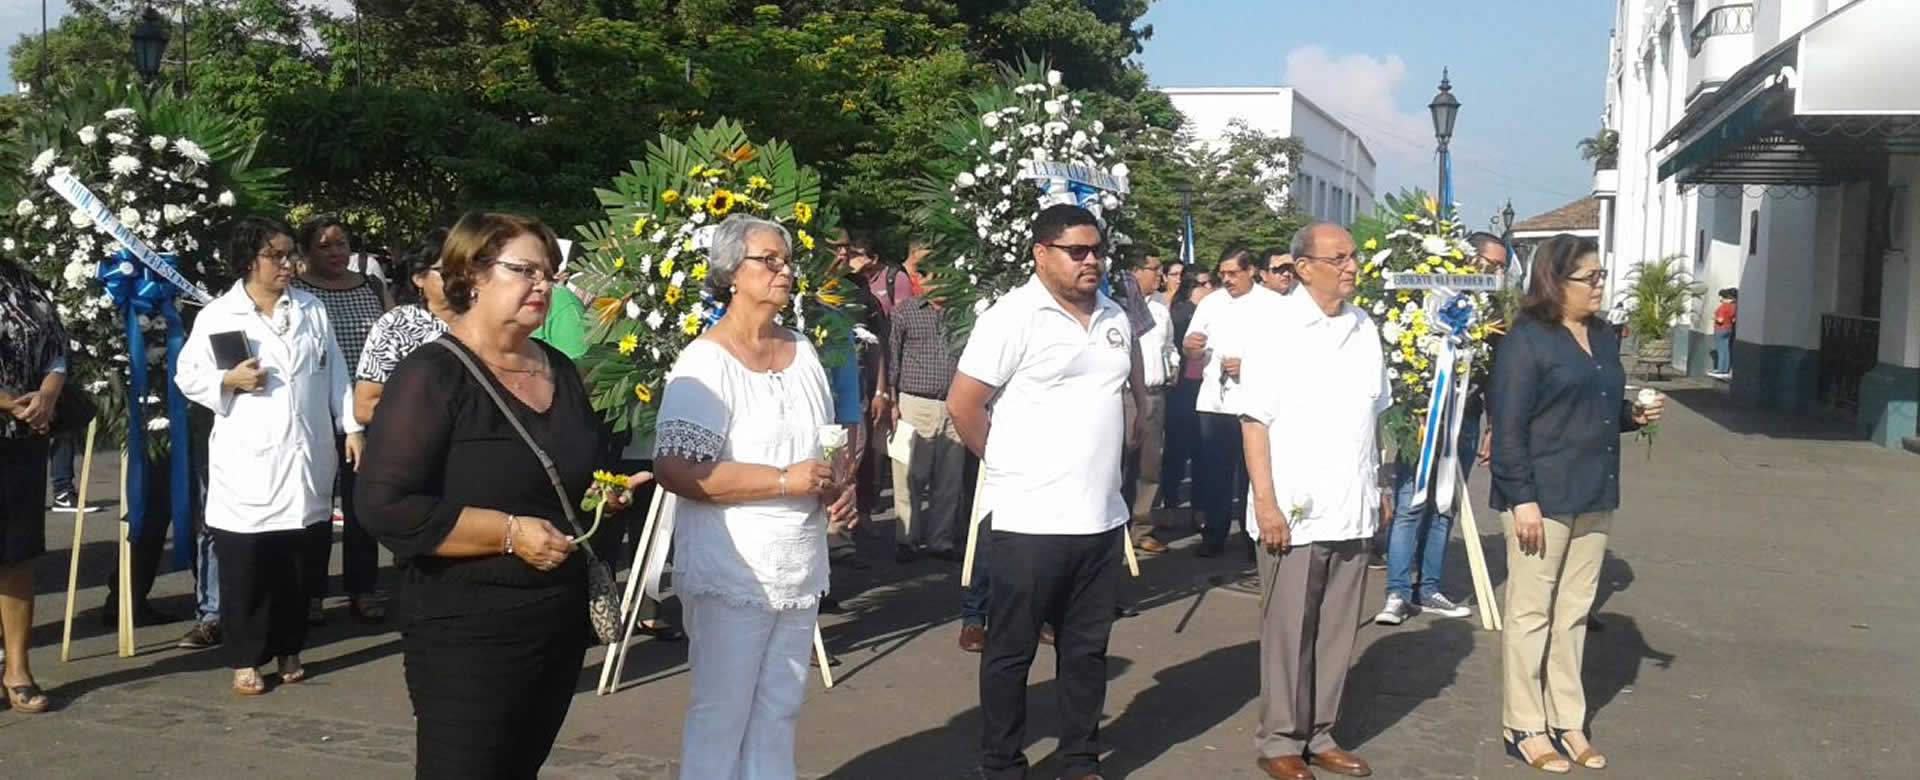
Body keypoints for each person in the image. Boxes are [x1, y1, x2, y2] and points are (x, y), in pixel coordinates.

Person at [356, 212, 635, 777]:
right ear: (473, 274)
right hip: (467, 625)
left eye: (549, 272)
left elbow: (568, 474)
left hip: (555, 619)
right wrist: (509, 533)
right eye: (524, 269)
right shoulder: (432, 374)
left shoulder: (556, 366)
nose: (542, 284)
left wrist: (604, 497)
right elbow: (383, 505)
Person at [651, 214, 855, 779]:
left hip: (798, 564)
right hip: (731, 569)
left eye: (787, 259)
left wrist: (838, 488)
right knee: (723, 713)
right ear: (731, 274)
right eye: (770, 260)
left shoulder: (804, 351)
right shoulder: (706, 362)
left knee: (780, 708)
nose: (785, 270)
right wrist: (786, 480)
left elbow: (824, 447)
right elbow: (676, 469)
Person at [947, 204, 1143, 780]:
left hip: (1102, 519)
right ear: (1041, 252)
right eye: (1076, 251)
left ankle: (1080, 758)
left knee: (1085, 653)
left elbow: (1123, 393)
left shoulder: (1113, 314)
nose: (1091, 261)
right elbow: (965, 404)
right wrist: (1012, 467)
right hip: (1028, 520)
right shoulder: (1012, 317)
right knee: (1011, 653)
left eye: (1097, 251)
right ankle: (1002, 762)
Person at [1489, 233, 1663, 773]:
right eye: (1590, 278)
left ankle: (1567, 720)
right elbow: (1510, 427)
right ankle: (1524, 724)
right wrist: (1522, 500)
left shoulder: (1605, 337)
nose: (1599, 286)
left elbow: (1599, 408)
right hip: (1541, 497)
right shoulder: (1528, 341)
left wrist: (1634, 416)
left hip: (1593, 491)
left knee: (1573, 615)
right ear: (1554, 281)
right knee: (1531, 613)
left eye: (1601, 276)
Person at [176, 216, 364, 695]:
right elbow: (187, 375)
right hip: (249, 459)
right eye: (276, 256)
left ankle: (290, 648)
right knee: (249, 564)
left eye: (289, 255)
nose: (287, 265)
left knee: (298, 561)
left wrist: (351, 426)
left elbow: (336, 371)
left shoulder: (310, 307)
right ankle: (246, 656)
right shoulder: (220, 315)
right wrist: (227, 381)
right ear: (248, 260)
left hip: (307, 454)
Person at [1236, 222, 1385, 780]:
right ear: (1303, 267)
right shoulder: (1274, 328)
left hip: (1351, 502)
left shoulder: (1364, 327)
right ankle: (1279, 737)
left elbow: (1374, 416)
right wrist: (1267, 504)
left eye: (1353, 257)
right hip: (1293, 510)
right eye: (1338, 257)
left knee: (1337, 630)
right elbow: (1254, 423)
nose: (1351, 266)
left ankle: (1321, 732)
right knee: (1288, 632)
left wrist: (1379, 485)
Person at [1372, 233, 1508, 626]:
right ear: (1470, 259)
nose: (1495, 272)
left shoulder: (1489, 311)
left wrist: (1492, 426)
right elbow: (1401, 361)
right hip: (1424, 417)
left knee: (1444, 504)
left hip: (1465, 417)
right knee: (1411, 503)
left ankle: (1429, 587)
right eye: (1491, 264)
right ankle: (1397, 591)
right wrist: (1415, 405)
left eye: (1500, 267)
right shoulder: (1426, 297)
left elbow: (1495, 372)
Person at [292, 215, 392, 625]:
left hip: (367, 412)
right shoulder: (298, 292)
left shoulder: (370, 285)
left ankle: (362, 588)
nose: (336, 252)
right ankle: (312, 592)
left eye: (341, 243)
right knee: (315, 507)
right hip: (316, 411)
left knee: (361, 506)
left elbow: (391, 337)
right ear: (306, 253)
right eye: (325, 245)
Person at [0, 246, 69, 714]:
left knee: (16, 553)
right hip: (15, 414)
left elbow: (56, 348)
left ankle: (18, 668)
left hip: (22, 436)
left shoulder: (22, 280)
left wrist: (45, 394)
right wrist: (9, 401)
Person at [1181, 246, 1276, 557]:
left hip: (1255, 402)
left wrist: (1249, 366)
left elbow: (1285, 354)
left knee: (1254, 472)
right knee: (1215, 473)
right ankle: (1215, 533)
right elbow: (1192, 348)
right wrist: (1191, 347)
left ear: (1251, 271)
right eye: (1223, 274)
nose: (1227, 279)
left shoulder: (1274, 305)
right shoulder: (1211, 303)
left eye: (1233, 273)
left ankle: (1254, 537)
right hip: (1215, 402)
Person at [888, 258, 967, 566]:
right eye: (935, 276)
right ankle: (906, 539)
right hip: (914, 403)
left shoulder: (962, 315)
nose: (941, 283)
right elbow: (892, 356)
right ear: (923, 280)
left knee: (949, 478)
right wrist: (891, 401)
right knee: (908, 475)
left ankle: (941, 540)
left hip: (953, 403)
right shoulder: (905, 312)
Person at [353, 230, 453, 426]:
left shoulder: (491, 320)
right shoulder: (397, 325)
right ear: (419, 278)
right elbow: (364, 407)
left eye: (466, 269)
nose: (459, 279)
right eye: (446, 272)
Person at [1124, 259, 1175, 547]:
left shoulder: (1160, 306)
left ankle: (1142, 529)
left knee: (1149, 466)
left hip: (1156, 393)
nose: (1160, 275)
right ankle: (1115, 531)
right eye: (1154, 269)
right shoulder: (1117, 304)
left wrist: (1174, 362)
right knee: (1118, 465)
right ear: (1135, 272)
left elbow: (1168, 344)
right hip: (1126, 394)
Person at [1159, 258, 1201, 512]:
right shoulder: (1163, 307)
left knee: (1197, 446)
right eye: (1173, 274)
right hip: (1176, 385)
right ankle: (1170, 498)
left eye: (1180, 274)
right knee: (1175, 445)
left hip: (1196, 382)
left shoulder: (1197, 308)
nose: (1177, 278)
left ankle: (1197, 503)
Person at [1710, 288, 1737, 378]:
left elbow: (1720, 320)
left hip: (1720, 329)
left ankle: (1720, 370)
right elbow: (1733, 319)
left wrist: (1714, 318)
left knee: (1720, 350)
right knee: (1726, 350)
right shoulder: (1732, 307)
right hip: (1729, 329)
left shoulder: (1722, 307)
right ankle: (1725, 369)